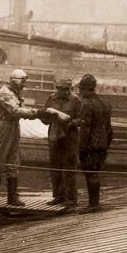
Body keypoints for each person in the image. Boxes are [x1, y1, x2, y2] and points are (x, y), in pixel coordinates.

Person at [0, 69, 41, 206]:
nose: (24, 85)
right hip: (3, 126)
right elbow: (15, 111)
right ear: (14, 80)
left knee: (13, 159)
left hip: (12, 125)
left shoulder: (14, 92)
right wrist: (36, 113)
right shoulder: (5, 93)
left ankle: (12, 197)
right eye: (22, 81)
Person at [39, 77, 81, 207]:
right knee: (55, 166)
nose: (64, 92)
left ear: (71, 89)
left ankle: (71, 198)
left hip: (70, 137)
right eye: (62, 89)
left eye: (67, 89)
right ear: (57, 89)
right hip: (54, 136)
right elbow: (44, 117)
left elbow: (81, 119)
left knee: (69, 167)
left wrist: (71, 123)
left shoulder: (76, 100)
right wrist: (46, 118)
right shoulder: (51, 99)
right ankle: (58, 196)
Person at [77, 73, 113, 211]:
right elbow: (109, 128)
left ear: (83, 89)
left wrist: (81, 149)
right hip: (103, 143)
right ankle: (95, 203)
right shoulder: (105, 103)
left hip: (91, 144)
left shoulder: (86, 104)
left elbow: (85, 130)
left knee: (90, 173)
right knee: (95, 172)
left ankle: (93, 204)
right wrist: (107, 143)